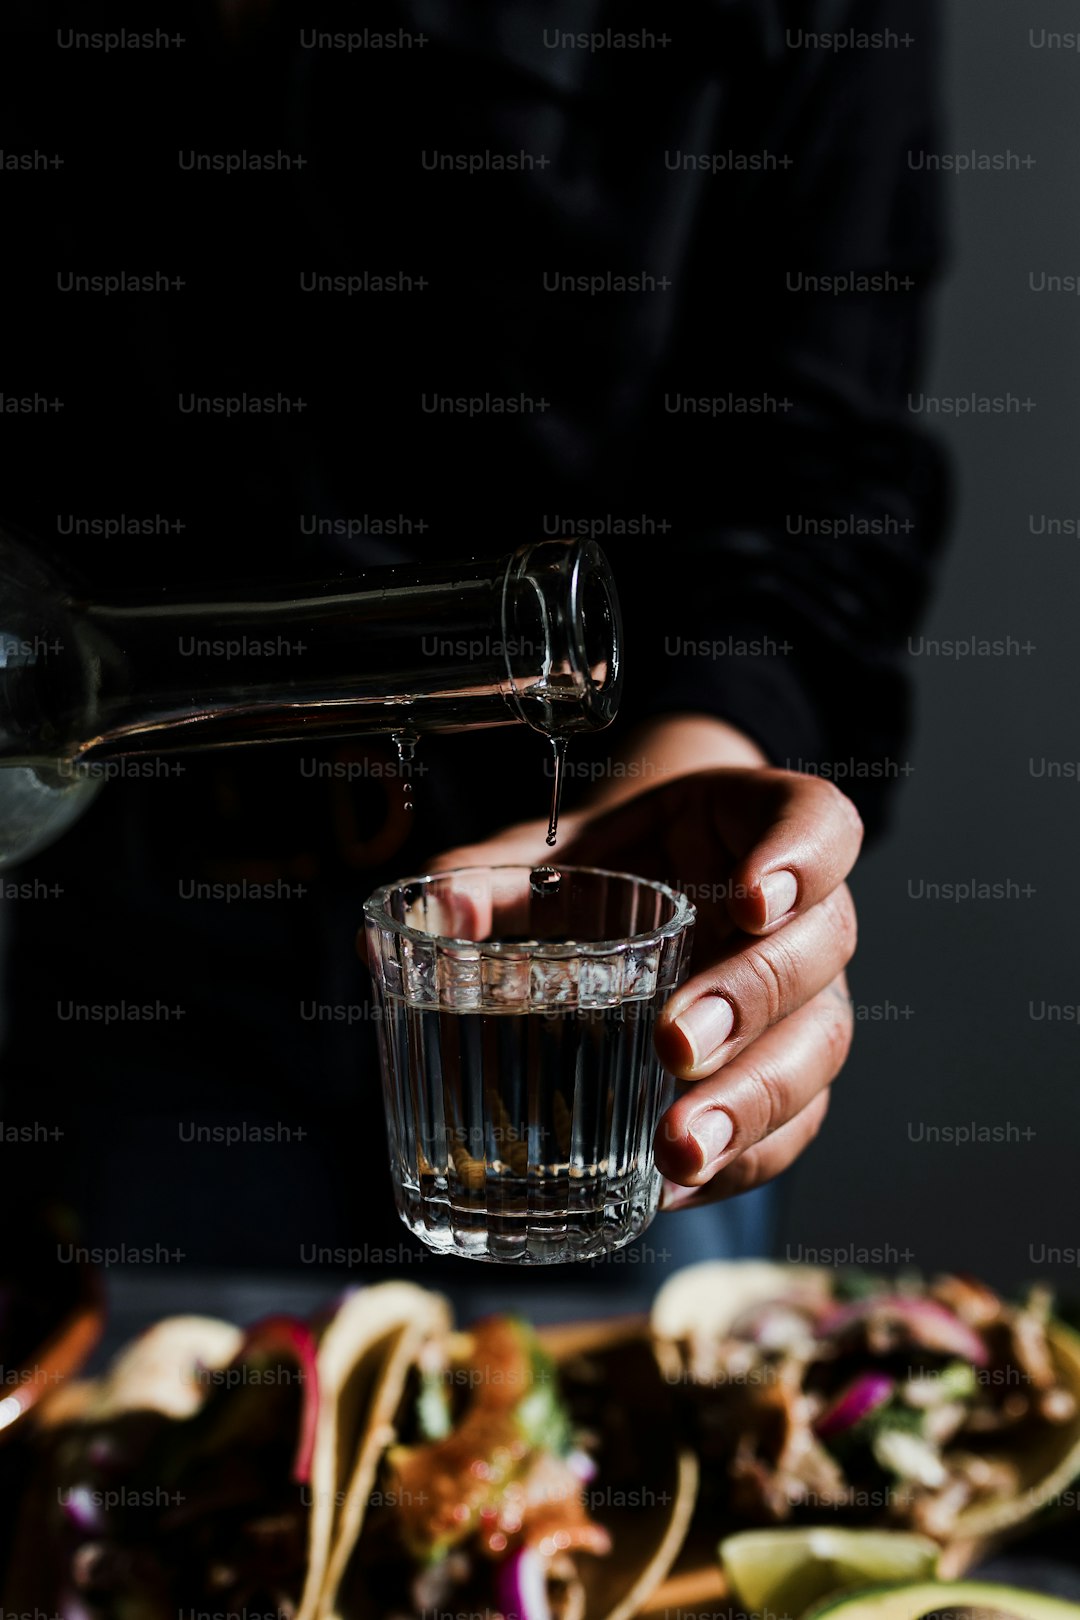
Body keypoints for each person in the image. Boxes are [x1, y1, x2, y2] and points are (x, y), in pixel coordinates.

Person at [0, 0, 948, 1285]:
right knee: (163, 1456)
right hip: (150, 981)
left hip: (593, 1017)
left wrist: (696, 811)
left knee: (601, 1460)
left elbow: (820, 487)